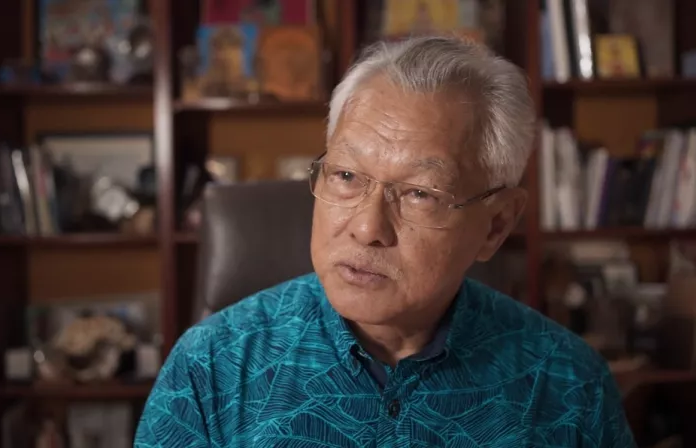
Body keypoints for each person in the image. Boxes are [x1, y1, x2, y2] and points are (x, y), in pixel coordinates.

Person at [135, 36, 635, 447]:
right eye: (346, 176)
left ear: (496, 225)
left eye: (420, 193)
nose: (367, 227)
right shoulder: (210, 367)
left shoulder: (568, 385)